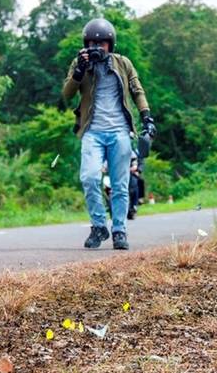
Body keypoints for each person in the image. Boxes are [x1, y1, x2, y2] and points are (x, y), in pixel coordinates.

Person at [62, 18, 156, 250]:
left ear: (110, 44)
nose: (96, 47)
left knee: (120, 185)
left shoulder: (123, 63)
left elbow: (137, 89)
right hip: (91, 132)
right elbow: (67, 94)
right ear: (85, 45)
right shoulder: (80, 64)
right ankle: (98, 226)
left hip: (120, 132)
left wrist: (146, 116)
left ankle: (119, 231)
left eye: (101, 43)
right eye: (92, 43)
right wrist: (79, 71)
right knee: (90, 177)